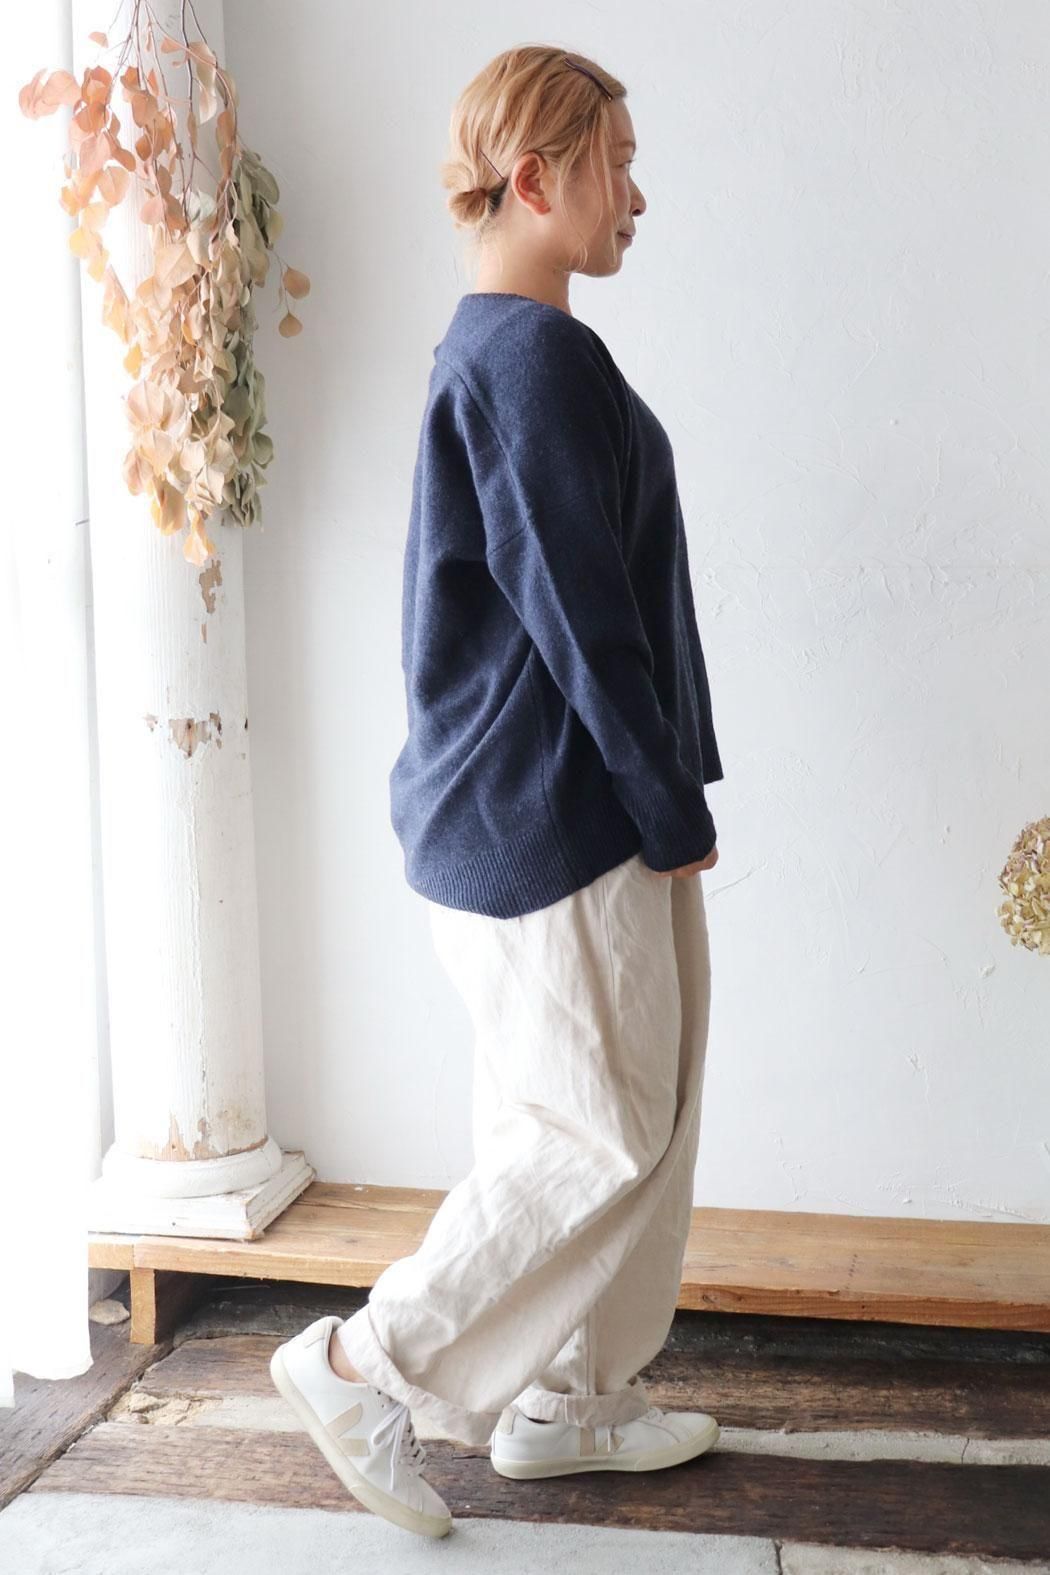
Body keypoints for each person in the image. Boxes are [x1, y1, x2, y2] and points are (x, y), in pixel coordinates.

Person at [269, 44, 724, 1540]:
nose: (635, 196)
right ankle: (363, 1366)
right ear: (535, 178)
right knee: (590, 1134)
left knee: (622, 1121)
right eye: (614, 164)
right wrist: (667, 804)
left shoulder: (516, 353)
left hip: (557, 806)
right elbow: (583, 620)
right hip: (559, 816)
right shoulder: (526, 361)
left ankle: (569, 1402)